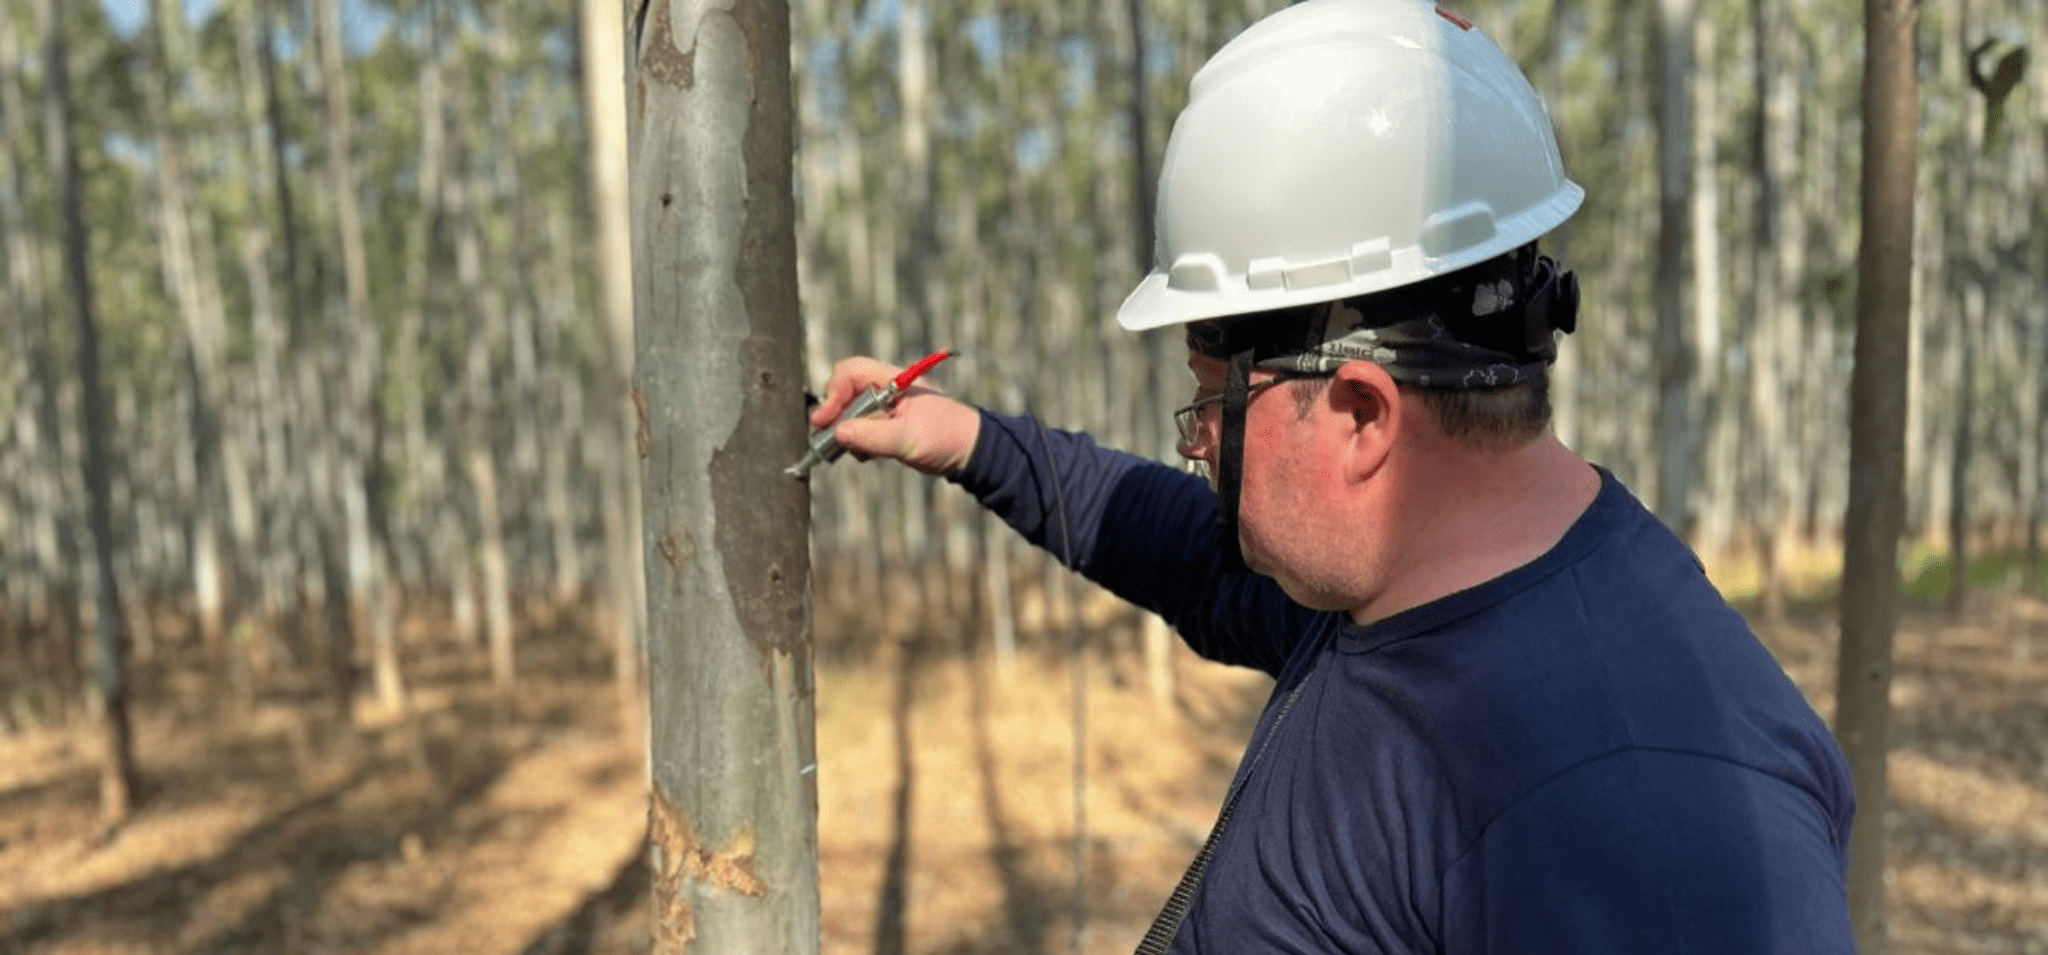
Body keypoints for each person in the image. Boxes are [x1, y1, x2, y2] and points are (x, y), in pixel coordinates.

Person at [808, 0, 1857, 951]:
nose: (1194, 444)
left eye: (1211, 401)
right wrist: (964, 440)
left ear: (1359, 415)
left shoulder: (1641, 809)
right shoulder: (1393, 586)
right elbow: (1179, 546)